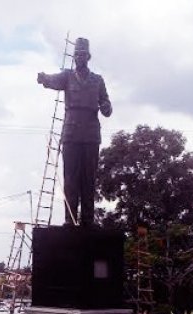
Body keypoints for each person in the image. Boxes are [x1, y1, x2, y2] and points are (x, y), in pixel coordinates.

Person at [37, 37, 112, 227]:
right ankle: (69, 218)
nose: (79, 57)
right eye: (76, 54)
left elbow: (107, 104)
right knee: (70, 177)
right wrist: (43, 77)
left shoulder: (97, 80)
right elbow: (52, 80)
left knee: (89, 178)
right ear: (73, 56)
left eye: (82, 54)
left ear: (89, 56)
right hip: (71, 132)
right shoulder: (67, 76)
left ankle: (87, 219)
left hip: (91, 132)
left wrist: (105, 106)